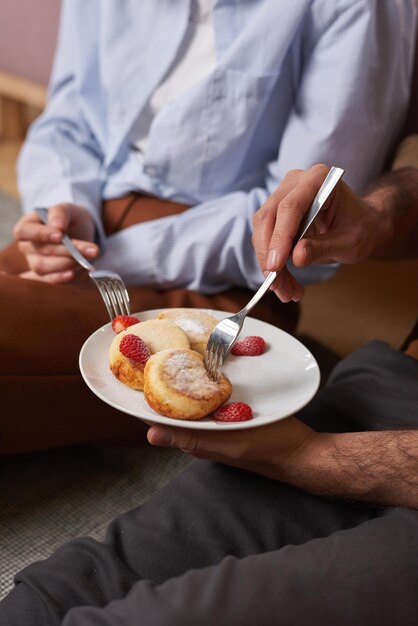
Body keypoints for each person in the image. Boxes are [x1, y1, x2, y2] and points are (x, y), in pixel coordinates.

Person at [1, 163, 417, 625]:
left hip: (370, 460)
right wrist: (377, 215)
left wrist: (309, 456)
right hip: (393, 377)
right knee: (67, 588)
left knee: (151, 615)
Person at [0, 0, 415, 454]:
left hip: (228, 282)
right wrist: (64, 210)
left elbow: (305, 228)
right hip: (91, 229)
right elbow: (68, 119)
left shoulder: (359, 8)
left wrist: (114, 255)